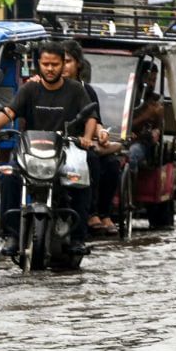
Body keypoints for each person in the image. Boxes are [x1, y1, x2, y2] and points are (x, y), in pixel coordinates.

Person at [0, 40, 98, 256]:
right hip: (29, 152)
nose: (50, 69)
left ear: (62, 65)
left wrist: (86, 138)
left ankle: (77, 238)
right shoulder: (29, 88)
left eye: (55, 64)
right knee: (9, 176)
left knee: (80, 179)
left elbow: (90, 117)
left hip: (65, 152)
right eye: (46, 64)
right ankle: (11, 234)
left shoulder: (76, 90)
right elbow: (10, 111)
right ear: (39, 63)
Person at [61, 40, 117, 234]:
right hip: (51, 143)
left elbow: (94, 120)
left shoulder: (86, 91)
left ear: (78, 64)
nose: (61, 66)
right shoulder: (40, 86)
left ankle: (101, 212)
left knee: (109, 163)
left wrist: (99, 133)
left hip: (79, 144)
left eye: (67, 61)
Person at [127, 63, 165, 173]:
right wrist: (145, 116)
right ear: (140, 78)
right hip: (123, 138)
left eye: (154, 80)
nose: (151, 84)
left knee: (132, 154)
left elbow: (158, 128)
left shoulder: (155, 101)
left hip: (141, 142)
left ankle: (130, 189)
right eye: (149, 80)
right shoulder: (129, 98)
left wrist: (157, 128)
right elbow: (121, 125)